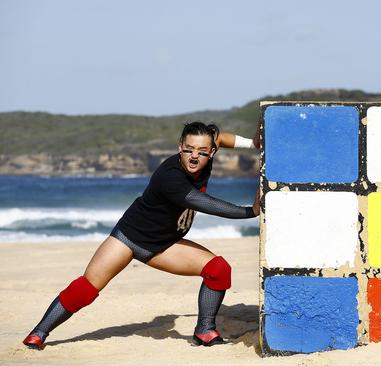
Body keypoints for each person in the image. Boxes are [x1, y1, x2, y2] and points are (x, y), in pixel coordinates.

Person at [23, 121, 261, 349]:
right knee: (86, 288)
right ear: (180, 147)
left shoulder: (205, 149)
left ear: (211, 151)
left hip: (164, 245)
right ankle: (38, 333)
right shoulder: (171, 177)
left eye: (201, 151)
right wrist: (250, 211)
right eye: (188, 150)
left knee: (218, 270)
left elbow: (221, 137)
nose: (194, 156)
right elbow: (205, 203)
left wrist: (253, 143)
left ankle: (205, 330)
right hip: (128, 237)